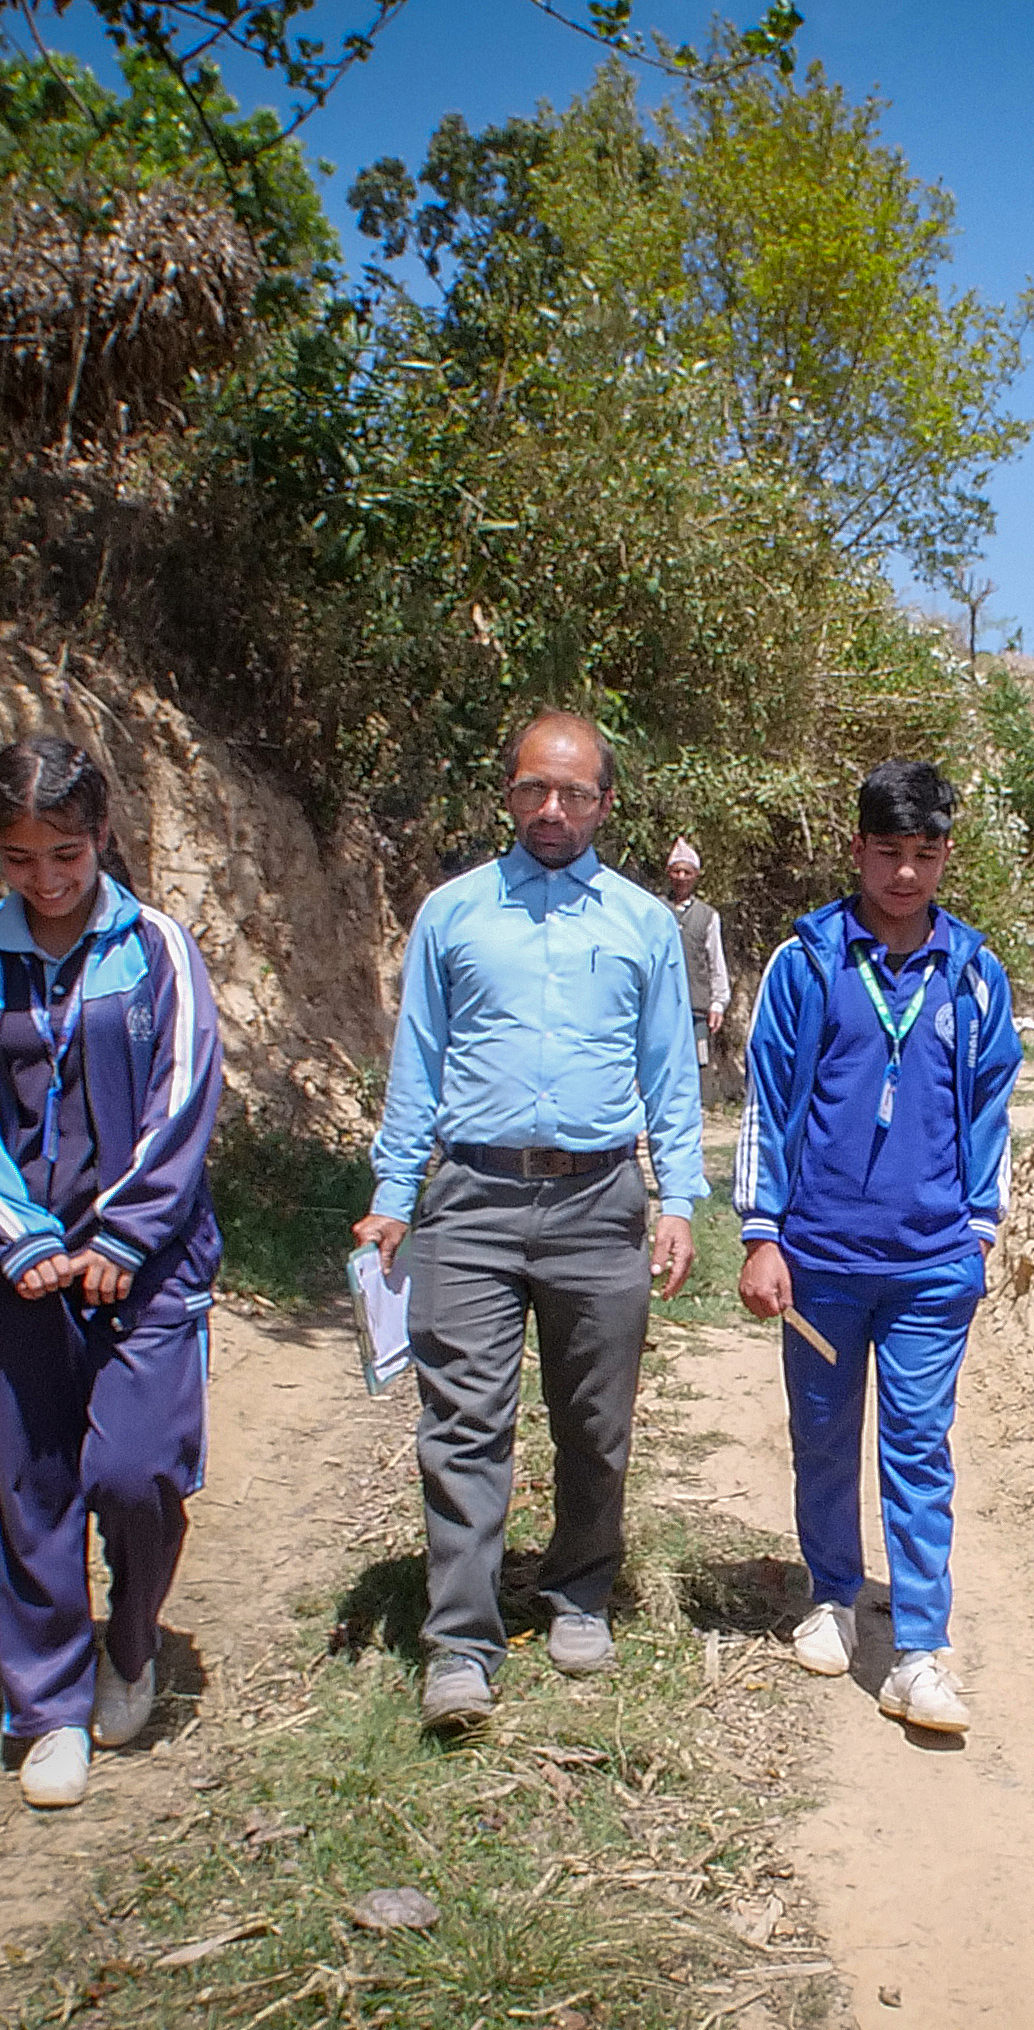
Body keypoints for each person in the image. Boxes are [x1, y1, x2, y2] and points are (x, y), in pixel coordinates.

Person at [353, 712, 705, 1733]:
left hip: (601, 1201)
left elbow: (667, 1073)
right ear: (506, 794)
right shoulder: (453, 914)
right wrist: (391, 1194)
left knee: (596, 1417)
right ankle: (460, 1641)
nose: (551, 812)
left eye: (574, 794)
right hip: (469, 1197)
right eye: (532, 791)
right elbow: (417, 1061)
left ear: (606, 802)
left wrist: (675, 1196)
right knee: (463, 1422)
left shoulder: (643, 923)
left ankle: (579, 1590)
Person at [0, 736, 224, 1810]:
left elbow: (184, 1100)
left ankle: (133, 1644)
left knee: (136, 1473)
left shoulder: (156, 951)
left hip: (145, 1267)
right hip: (22, 1273)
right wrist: (31, 1242)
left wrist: (121, 1239)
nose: (47, 880)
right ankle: (47, 1706)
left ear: (101, 836)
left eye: (65, 852)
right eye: (20, 859)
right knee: (36, 1485)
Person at [737, 759, 1021, 1734]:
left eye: (925, 854)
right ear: (856, 849)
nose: (906, 873)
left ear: (947, 855)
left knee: (917, 1446)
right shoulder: (809, 962)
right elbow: (766, 1108)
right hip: (819, 1263)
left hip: (932, 1266)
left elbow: (992, 1114)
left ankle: (921, 1654)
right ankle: (832, 1596)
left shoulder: (975, 976)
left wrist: (981, 1230)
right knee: (823, 1437)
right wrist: (761, 1235)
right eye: (889, 852)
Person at [665, 838, 733, 1091]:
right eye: (676, 870)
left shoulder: (708, 916)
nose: (681, 877)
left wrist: (718, 1003)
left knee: (695, 1067)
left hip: (696, 1008)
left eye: (687, 872)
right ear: (668, 873)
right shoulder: (655, 909)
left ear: (696, 876)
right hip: (661, 1005)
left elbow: (716, 961)